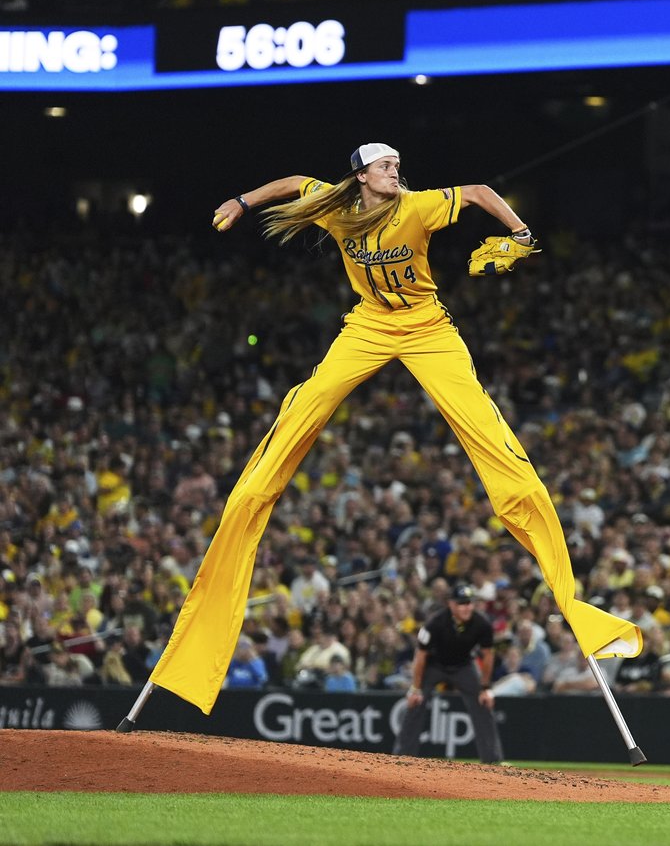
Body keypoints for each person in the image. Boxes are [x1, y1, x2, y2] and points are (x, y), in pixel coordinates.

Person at [149, 143, 640, 715]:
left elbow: (480, 192)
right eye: (386, 167)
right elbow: (292, 182)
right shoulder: (337, 205)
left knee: (485, 427)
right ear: (361, 176)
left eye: (397, 166)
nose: (396, 173)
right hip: (367, 328)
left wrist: (523, 234)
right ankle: (252, 495)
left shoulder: (416, 206)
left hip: (428, 329)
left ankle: (567, 587)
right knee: (305, 405)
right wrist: (239, 201)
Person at [393, 583, 504, 764]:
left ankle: (492, 760)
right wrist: (415, 688)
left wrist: (485, 687)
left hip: (463, 666)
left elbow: (488, 655)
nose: (467, 607)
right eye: (461, 603)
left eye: (469, 602)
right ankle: (402, 757)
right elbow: (420, 656)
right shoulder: (435, 623)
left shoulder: (482, 624)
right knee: (416, 702)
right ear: (451, 604)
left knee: (482, 703)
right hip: (434, 665)